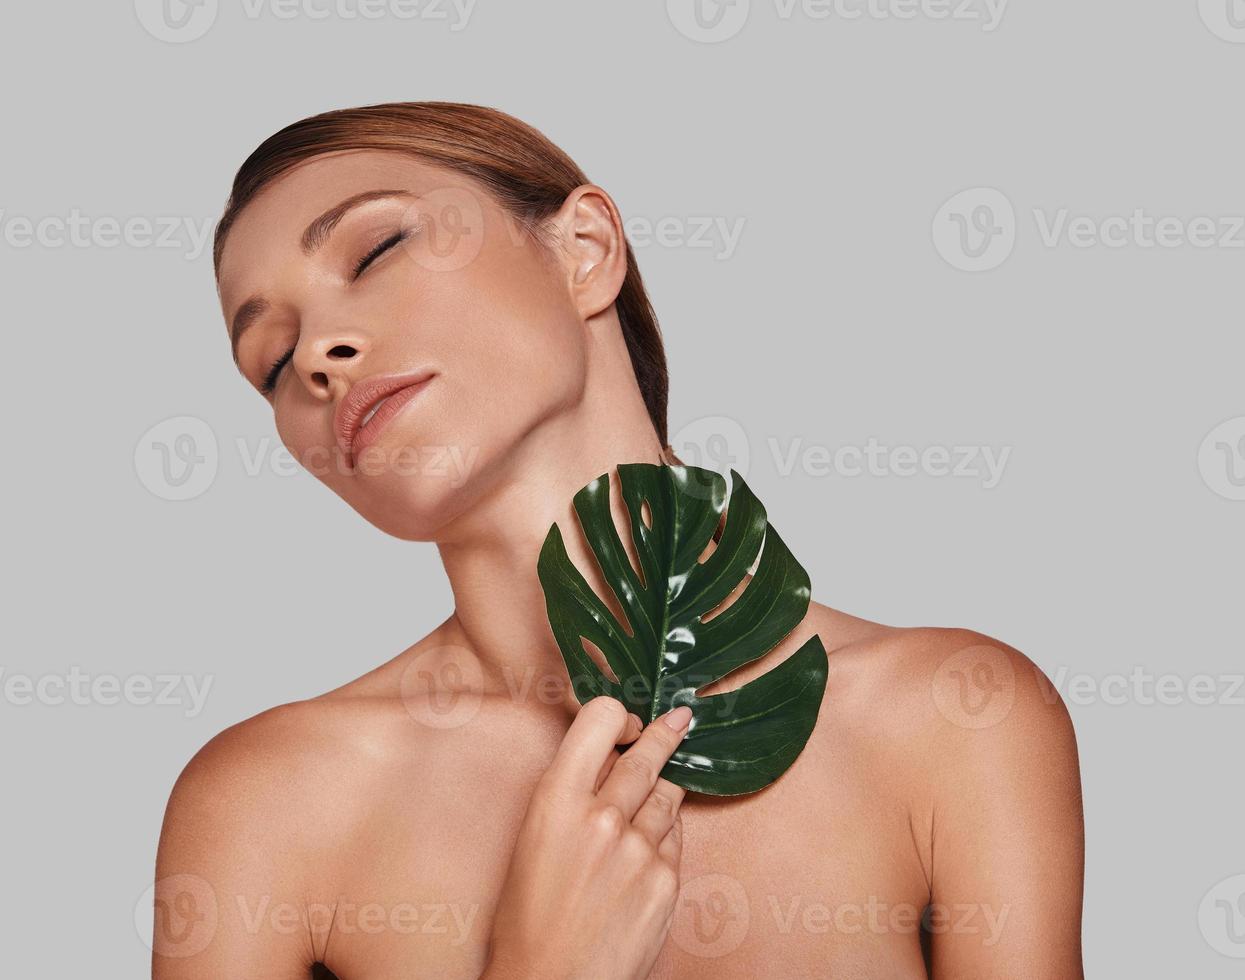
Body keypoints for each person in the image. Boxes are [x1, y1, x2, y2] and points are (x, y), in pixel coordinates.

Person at [152, 101, 1084, 979]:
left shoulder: (955, 721)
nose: (316, 355)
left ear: (585, 250)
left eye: (378, 247)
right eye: (271, 362)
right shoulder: (266, 804)